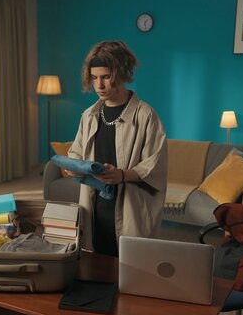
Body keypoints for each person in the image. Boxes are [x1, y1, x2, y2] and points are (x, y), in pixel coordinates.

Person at [66, 41, 167, 256]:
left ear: (121, 74)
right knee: (96, 257)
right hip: (95, 204)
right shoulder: (89, 115)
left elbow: (154, 165)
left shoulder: (146, 115)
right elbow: (76, 151)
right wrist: (73, 166)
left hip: (130, 206)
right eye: (94, 78)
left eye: (105, 77)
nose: (99, 85)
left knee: (132, 263)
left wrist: (121, 175)